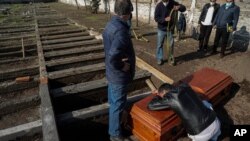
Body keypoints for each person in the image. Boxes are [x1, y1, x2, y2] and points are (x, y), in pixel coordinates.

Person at [102, 0, 135, 141]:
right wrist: (123, 66)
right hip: (118, 75)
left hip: (111, 72)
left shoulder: (110, 24)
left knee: (114, 102)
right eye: (130, 13)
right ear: (126, 14)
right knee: (117, 104)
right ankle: (115, 134)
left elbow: (111, 51)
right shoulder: (121, 31)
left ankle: (118, 119)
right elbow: (113, 56)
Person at [148, 83, 221, 141]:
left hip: (201, 134)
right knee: (204, 102)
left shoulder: (170, 98)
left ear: (164, 94)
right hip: (216, 124)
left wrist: (157, 95)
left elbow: (151, 106)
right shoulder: (185, 86)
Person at [154, 0, 186, 66]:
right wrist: (164, 19)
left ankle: (170, 58)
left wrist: (179, 7)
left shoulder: (173, 3)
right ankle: (159, 58)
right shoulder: (159, 6)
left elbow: (184, 9)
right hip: (161, 29)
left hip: (170, 30)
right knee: (160, 44)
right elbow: (156, 18)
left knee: (170, 45)